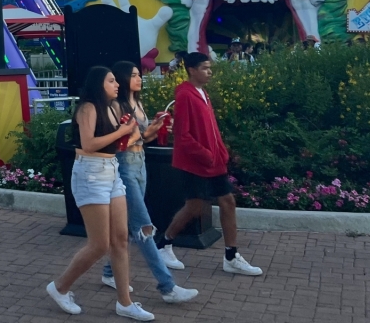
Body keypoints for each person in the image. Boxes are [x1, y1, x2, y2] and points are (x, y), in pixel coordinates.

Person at [47, 66, 155, 321]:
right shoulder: (88, 108)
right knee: (99, 244)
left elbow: (120, 141)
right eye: (111, 81)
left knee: (120, 239)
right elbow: (89, 143)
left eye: (116, 80)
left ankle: (125, 303)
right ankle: (60, 287)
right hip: (90, 173)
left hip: (111, 169)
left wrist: (133, 134)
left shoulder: (115, 107)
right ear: (98, 84)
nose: (117, 84)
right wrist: (123, 132)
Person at [155, 53, 263, 276]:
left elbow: (211, 129)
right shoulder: (185, 95)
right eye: (204, 68)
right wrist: (205, 154)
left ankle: (231, 256)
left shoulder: (202, 93)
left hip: (212, 162)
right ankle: (163, 244)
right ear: (192, 70)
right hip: (196, 163)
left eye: (209, 67)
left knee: (228, 201)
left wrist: (220, 152)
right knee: (194, 207)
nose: (209, 71)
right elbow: (182, 135)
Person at [101, 62, 198, 304]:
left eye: (139, 75)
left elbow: (142, 138)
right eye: (133, 75)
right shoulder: (115, 105)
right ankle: (167, 286)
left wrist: (155, 128)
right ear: (123, 79)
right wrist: (140, 134)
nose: (139, 79)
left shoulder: (137, 103)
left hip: (140, 163)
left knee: (130, 224)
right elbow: (121, 139)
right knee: (144, 226)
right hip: (125, 165)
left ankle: (109, 271)